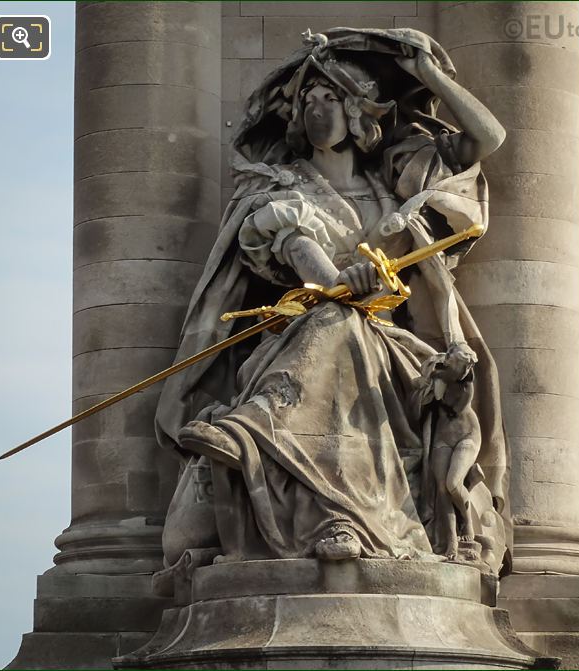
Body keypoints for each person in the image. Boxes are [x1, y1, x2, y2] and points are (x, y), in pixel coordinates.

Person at [155, 28, 510, 568]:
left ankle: (256, 437)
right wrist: (342, 282)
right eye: (307, 100)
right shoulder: (280, 190)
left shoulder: (395, 183)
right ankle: (297, 478)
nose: (317, 110)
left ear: (358, 111)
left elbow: (489, 138)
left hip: (389, 344)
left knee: (346, 329)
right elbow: (300, 255)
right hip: (306, 328)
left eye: (331, 99)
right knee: (336, 323)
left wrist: (428, 75)